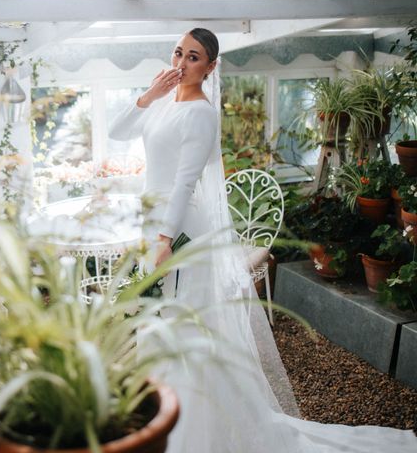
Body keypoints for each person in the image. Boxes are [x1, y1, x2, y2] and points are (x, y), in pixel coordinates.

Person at [108, 28, 417, 452]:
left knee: (185, 327)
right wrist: (147, 95)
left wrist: (165, 238)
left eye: (193, 57)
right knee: (157, 326)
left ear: (211, 67)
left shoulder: (200, 113)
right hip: (154, 225)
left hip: (178, 230)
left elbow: (183, 184)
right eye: (178, 52)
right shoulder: (162, 101)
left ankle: (194, 431)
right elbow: (117, 132)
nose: (181, 63)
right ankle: (161, 415)